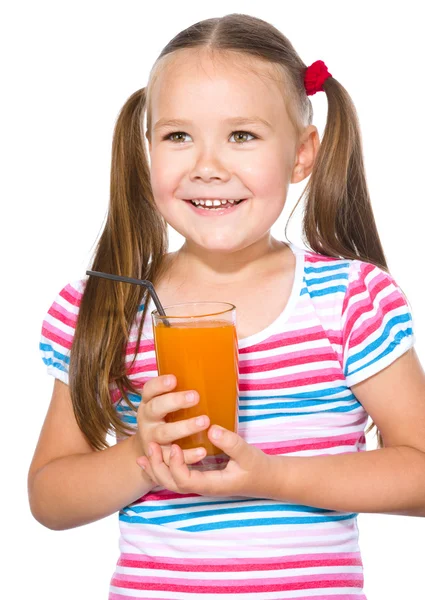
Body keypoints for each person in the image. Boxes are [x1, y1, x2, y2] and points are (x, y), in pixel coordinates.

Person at [28, 12, 425, 600]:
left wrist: (274, 476)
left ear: (302, 154)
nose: (206, 165)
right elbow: (49, 498)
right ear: (147, 151)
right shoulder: (111, 307)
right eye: (178, 136)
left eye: (242, 135)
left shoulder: (347, 302)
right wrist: (139, 454)